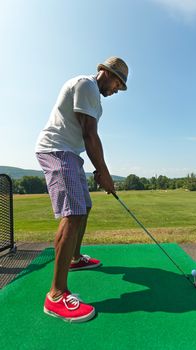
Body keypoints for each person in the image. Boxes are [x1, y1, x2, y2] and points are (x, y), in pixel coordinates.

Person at [35, 56, 129, 322]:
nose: (115, 92)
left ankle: (74, 258)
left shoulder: (95, 98)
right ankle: (56, 295)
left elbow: (89, 135)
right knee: (73, 214)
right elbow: (90, 135)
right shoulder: (87, 85)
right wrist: (104, 172)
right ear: (109, 75)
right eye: (117, 86)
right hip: (57, 150)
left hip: (70, 153)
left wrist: (101, 171)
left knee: (84, 207)